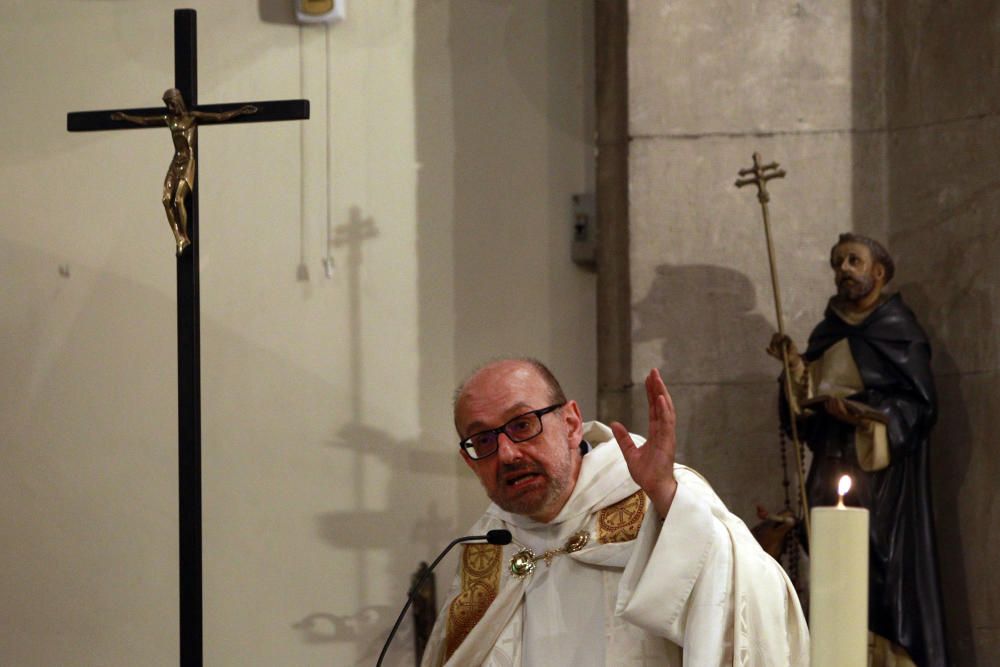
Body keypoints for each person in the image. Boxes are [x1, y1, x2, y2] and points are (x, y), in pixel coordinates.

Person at [419, 358, 808, 666]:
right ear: (470, 461)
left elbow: (753, 603)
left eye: (522, 425)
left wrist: (669, 500)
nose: (507, 453)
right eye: (483, 439)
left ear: (571, 423)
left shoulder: (659, 500)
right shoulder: (486, 545)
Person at [766, 233, 947, 667]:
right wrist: (794, 372)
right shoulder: (827, 332)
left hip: (885, 479)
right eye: (837, 263)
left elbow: (920, 406)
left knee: (884, 573)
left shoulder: (900, 330)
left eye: (853, 261)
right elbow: (802, 415)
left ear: (878, 273)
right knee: (834, 568)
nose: (843, 269)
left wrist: (867, 415)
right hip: (832, 464)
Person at [111, 89, 257, 255]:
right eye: (168, 105)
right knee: (166, 200)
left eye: (173, 103)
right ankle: (179, 238)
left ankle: (184, 236)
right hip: (176, 163)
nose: (171, 108)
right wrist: (125, 117)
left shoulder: (193, 117)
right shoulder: (168, 119)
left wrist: (239, 111)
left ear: (179, 101)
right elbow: (145, 120)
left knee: (179, 199)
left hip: (188, 162)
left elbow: (218, 116)